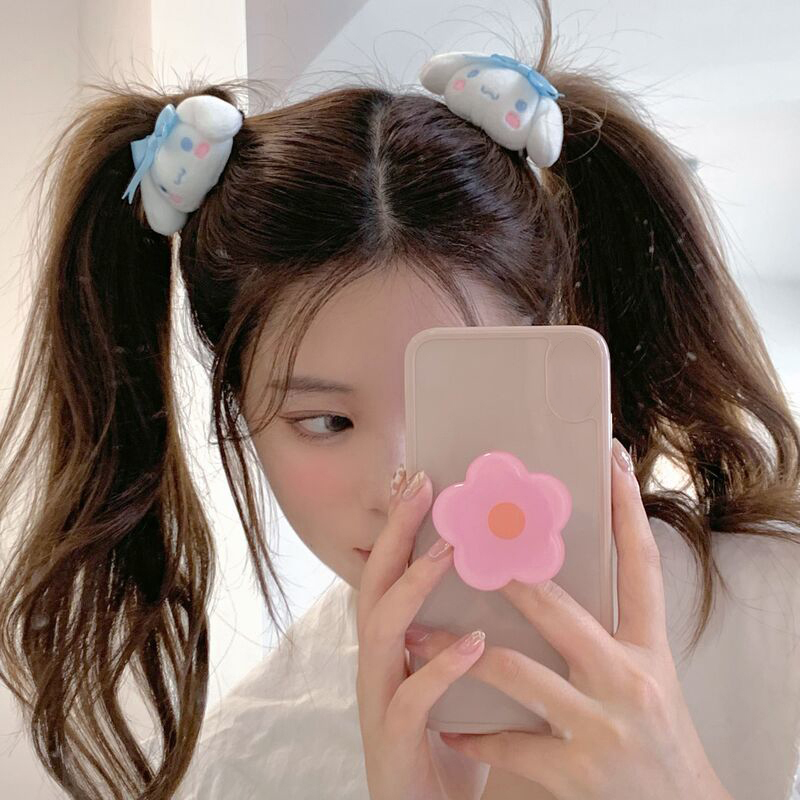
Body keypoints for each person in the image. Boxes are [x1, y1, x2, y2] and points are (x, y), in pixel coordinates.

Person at [0, 1, 798, 797]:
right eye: (326, 421)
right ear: (240, 412)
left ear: (550, 347)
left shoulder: (778, 608)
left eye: (454, 396)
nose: (402, 490)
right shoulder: (252, 762)